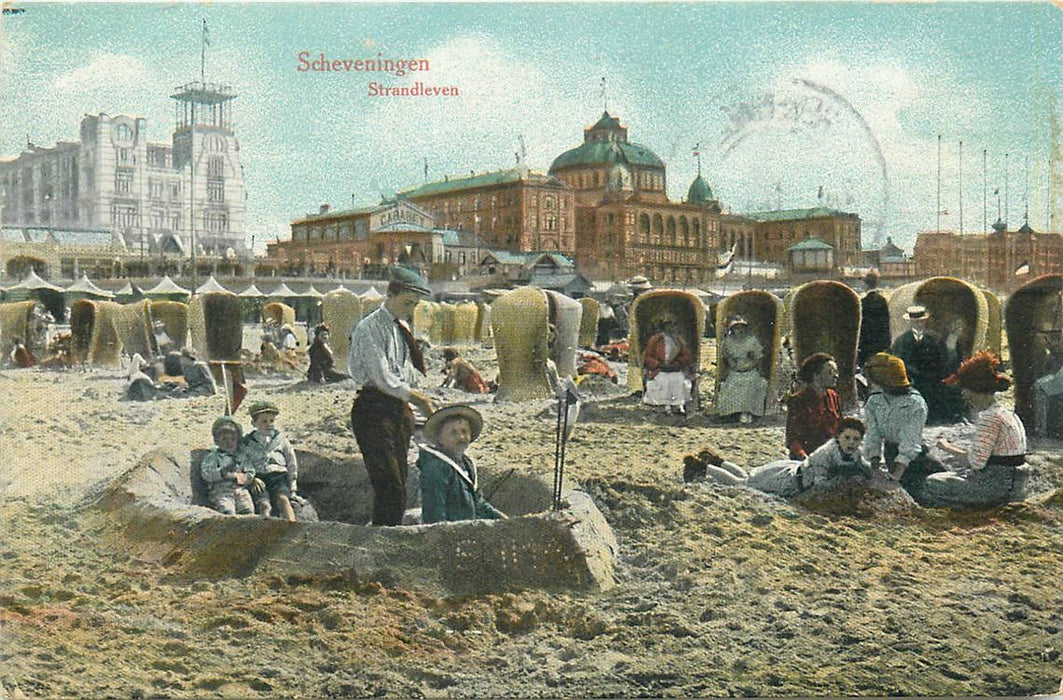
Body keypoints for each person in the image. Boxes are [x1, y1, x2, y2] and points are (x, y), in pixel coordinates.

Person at [348, 265, 437, 526]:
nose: (411, 310)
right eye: (408, 303)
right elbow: (382, 376)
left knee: (399, 482)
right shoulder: (369, 329)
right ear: (391, 294)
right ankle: (383, 538)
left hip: (398, 410)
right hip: (373, 410)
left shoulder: (399, 329)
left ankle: (385, 534)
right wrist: (419, 399)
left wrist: (419, 391)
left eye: (415, 305)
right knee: (390, 486)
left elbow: (404, 371)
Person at [929, 352, 1029, 508]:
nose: (968, 402)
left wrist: (947, 447)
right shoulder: (1008, 414)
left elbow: (976, 463)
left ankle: (972, 509)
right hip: (1018, 484)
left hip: (997, 488)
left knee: (933, 482)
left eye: (969, 397)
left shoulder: (989, 418)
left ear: (976, 392)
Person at [688, 416, 872, 495]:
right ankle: (702, 467)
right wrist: (842, 479)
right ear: (838, 436)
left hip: (790, 469)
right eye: (847, 437)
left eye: (856, 439)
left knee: (748, 476)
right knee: (744, 484)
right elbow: (820, 483)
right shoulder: (827, 452)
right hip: (790, 481)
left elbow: (863, 466)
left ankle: (717, 461)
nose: (851, 443)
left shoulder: (854, 452)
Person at [861, 352, 945, 501]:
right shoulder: (874, 402)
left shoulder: (914, 404)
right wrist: (875, 467)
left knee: (924, 495)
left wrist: (895, 476)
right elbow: (873, 436)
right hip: (891, 454)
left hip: (916, 459)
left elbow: (910, 443)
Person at [417, 405, 505, 524]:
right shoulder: (436, 468)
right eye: (453, 432)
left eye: (464, 431)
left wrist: (504, 520)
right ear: (440, 439)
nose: (461, 437)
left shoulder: (466, 464)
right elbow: (434, 515)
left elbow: (478, 504)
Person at [891, 305, 955, 425]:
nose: (919, 324)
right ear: (910, 323)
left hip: (931, 379)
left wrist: (934, 374)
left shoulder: (933, 340)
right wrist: (912, 372)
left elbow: (941, 360)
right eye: (915, 322)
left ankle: (932, 418)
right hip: (910, 379)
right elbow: (898, 361)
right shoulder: (902, 341)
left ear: (925, 322)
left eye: (921, 321)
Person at [241, 401, 298, 522]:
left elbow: (291, 462)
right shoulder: (246, 443)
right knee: (264, 505)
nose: (269, 425)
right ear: (254, 423)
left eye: (272, 421)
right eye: (264, 421)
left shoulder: (281, 440)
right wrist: (251, 479)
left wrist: (292, 487)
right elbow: (242, 462)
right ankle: (267, 531)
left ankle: (293, 526)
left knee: (283, 500)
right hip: (259, 478)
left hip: (278, 477)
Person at [785, 353, 841, 460]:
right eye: (830, 372)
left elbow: (840, 429)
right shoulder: (799, 400)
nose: (836, 376)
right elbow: (792, 439)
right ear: (815, 375)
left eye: (836, 372)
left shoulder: (833, 397)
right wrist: (805, 458)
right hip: (807, 458)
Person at [199, 416, 260, 515]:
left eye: (233, 439)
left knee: (247, 510)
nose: (229, 442)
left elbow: (250, 471)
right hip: (221, 490)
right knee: (227, 510)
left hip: (240, 489)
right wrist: (222, 472)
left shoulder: (241, 457)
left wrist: (241, 477)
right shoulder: (213, 456)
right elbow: (206, 473)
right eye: (224, 439)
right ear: (216, 441)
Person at [715, 315, 768, 423]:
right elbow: (726, 357)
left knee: (752, 382)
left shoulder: (752, 341)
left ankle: (748, 412)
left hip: (750, 369)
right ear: (732, 330)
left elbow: (758, 358)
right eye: (736, 328)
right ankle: (733, 413)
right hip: (735, 369)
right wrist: (733, 364)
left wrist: (750, 364)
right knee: (731, 384)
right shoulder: (728, 342)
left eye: (742, 328)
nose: (739, 330)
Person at [641, 314, 694, 415]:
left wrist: (677, 364)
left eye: (673, 325)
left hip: (675, 369)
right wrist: (658, 365)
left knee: (679, 379)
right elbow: (648, 356)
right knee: (663, 381)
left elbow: (686, 355)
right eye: (668, 325)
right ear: (664, 326)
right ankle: (666, 406)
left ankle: (678, 405)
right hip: (659, 369)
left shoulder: (678, 341)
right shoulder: (655, 340)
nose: (671, 327)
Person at [857, 269, 891, 367]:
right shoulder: (883, 301)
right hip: (880, 344)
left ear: (866, 285)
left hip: (866, 345)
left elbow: (861, 326)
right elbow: (886, 324)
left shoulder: (863, 302)